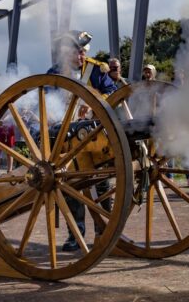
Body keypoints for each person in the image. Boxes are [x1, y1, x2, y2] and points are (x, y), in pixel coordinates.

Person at [48, 30, 117, 252]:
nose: (80, 55)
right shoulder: (55, 73)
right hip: (66, 137)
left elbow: (113, 92)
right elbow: (46, 99)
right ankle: (75, 235)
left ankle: (105, 231)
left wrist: (95, 101)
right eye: (76, 51)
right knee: (70, 186)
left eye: (82, 51)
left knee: (101, 181)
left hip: (93, 132)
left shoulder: (96, 70)